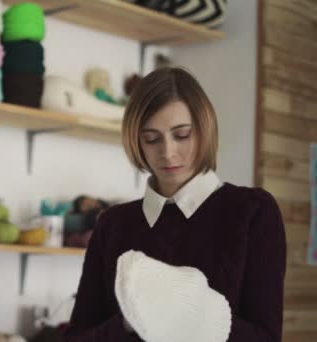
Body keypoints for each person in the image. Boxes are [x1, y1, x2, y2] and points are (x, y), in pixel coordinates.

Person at [63, 67, 286, 342]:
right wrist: (128, 323)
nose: (167, 152)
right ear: (137, 141)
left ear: (204, 129)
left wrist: (192, 311)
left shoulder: (253, 211)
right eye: (151, 138)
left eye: (181, 135)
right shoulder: (113, 224)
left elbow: (265, 338)